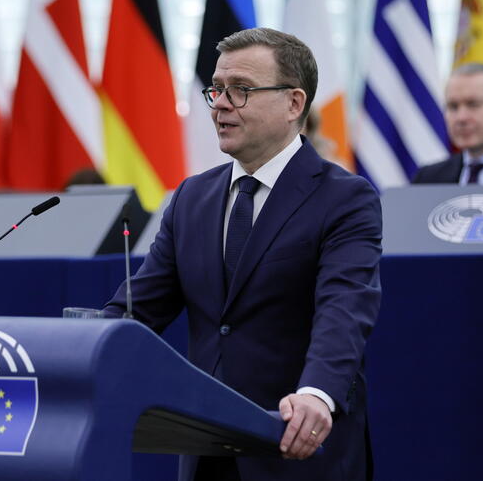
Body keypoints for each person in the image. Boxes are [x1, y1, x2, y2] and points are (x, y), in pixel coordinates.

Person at [104, 28, 381, 481]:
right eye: (217, 89)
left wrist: (316, 394)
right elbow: (138, 310)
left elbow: (344, 310)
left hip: (294, 445)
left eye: (241, 91)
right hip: (205, 451)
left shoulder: (345, 199)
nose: (219, 104)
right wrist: (78, 348)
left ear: (294, 104)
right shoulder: (192, 196)